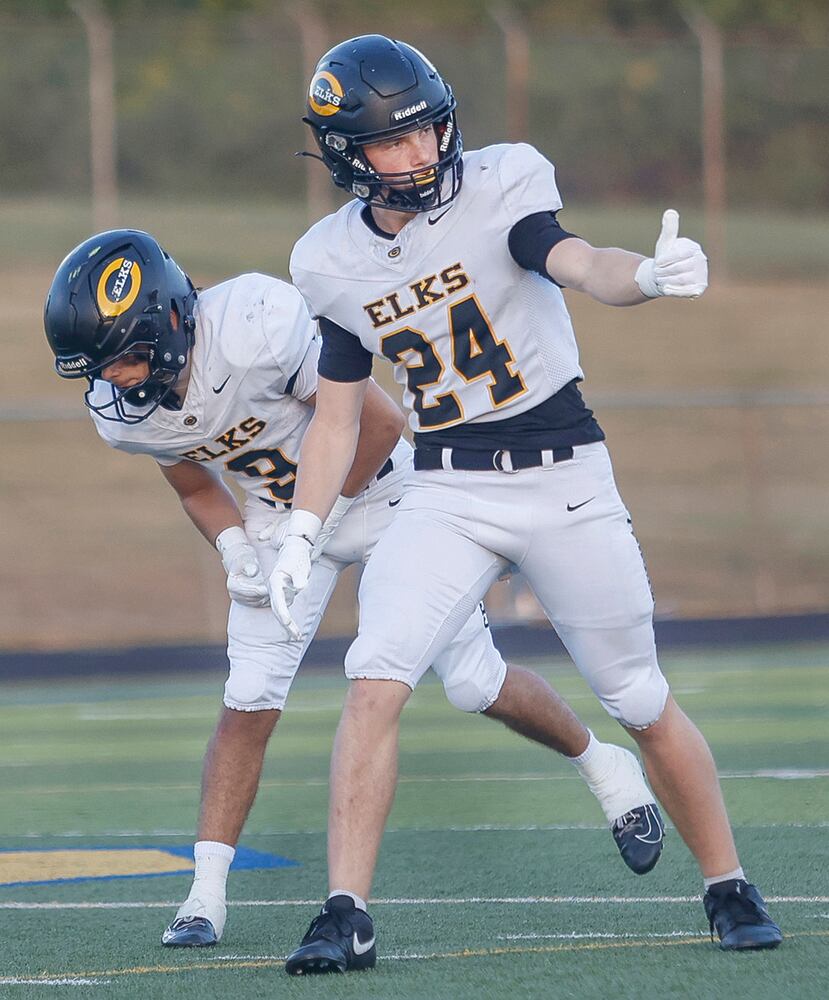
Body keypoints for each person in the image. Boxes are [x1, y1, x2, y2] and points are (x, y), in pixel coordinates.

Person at [270, 34, 783, 973]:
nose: (421, 153)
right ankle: (345, 911)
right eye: (394, 142)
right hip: (446, 487)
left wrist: (646, 279)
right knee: (374, 674)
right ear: (348, 154)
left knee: (636, 694)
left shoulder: (502, 184)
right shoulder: (328, 261)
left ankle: (726, 882)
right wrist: (304, 526)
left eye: (428, 131)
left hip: (563, 473)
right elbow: (339, 417)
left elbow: (575, 260)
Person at [43, 229, 666, 950]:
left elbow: (376, 420)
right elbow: (188, 477)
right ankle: (204, 895)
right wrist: (235, 544)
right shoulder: (122, 412)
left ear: (171, 320)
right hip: (276, 524)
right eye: (99, 366)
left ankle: (603, 765)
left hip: (381, 490)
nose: (114, 379)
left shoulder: (254, 323)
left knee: (472, 682)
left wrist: (315, 523)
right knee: (248, 698)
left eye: (123, 356)